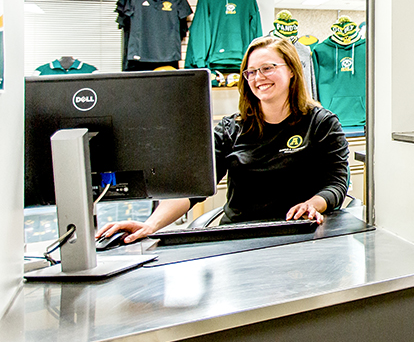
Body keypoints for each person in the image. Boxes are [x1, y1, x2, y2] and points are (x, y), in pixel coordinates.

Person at [98, 36, 350, 244]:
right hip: (239, 237)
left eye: (267, 68)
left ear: (292, 70)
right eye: (250, 72)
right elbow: (194, 187)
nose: (258, 77)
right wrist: (150, 224)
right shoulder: (231, 129)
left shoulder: (321, 123)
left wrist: (313, 204)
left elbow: (336, 184)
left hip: (300, 234)